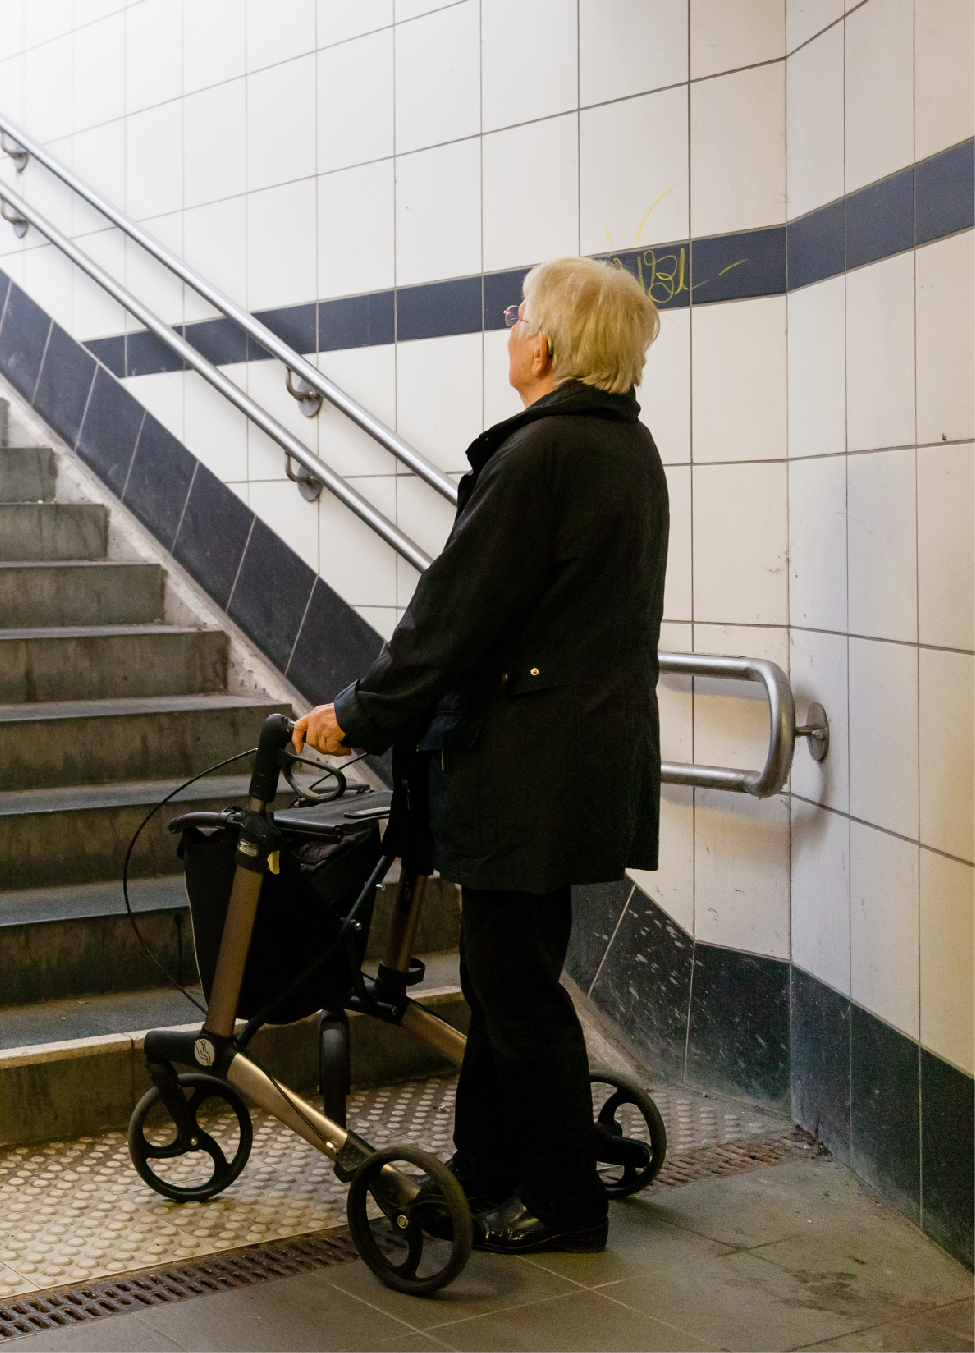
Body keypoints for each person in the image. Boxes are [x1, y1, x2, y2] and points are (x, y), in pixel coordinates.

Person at [291, 255, 667, 1255]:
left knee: (515, 988)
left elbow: (454, 614)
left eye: (519, 316)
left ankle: (561, 1201)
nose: (511, 329)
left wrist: (360, 712)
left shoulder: (543, 454)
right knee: (512, 977)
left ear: (546, 345)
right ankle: (489, 1169)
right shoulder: (623, 448)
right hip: (577, 760)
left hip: (527, 770)